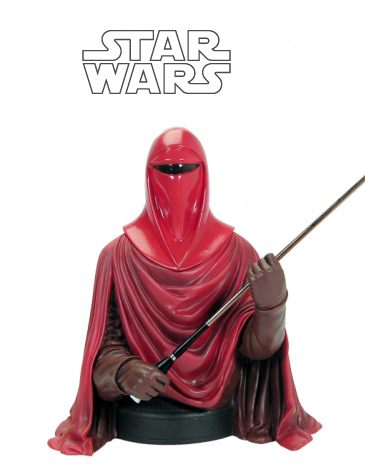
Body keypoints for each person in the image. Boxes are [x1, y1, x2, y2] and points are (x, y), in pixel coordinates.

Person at [48, 128, 321, 455]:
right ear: (148, 176)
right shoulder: (117, 257)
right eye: (165, 169)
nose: (175, 178)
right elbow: (103, 349)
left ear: (204, 175)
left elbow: (256, 350)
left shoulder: (238, 254)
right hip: (142, 401)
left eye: (185, 168)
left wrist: (273, 307)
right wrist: (123, 372)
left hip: (220, 403)